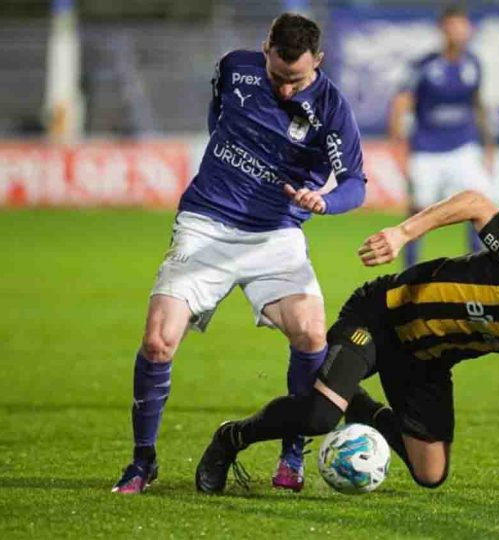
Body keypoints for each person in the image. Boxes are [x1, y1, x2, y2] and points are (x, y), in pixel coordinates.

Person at [194, 190, 499, 505]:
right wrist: (402, 233)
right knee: (320, 416)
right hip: (381, 316)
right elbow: (474, 202)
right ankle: (232, 439)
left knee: (430, 474)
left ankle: (354, 402)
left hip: (425, 362)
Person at [112, 13, 367, 494]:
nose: (286, 90)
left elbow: (356, 183)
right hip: (206, 223)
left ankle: (292, 452)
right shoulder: (234, 68)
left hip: (275, 234)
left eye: (297, 79)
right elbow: (218, 118)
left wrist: (324, 201)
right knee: (157, 342)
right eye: (277, 76)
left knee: (312, 333)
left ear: (320, 62)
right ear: (265, 49)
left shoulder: (333, 108)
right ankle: (142, 461)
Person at [388, 6, 494, 269]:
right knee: (417, 213)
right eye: (452, 26)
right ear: (442, 29)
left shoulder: (474, 64)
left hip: (465, 147)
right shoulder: (424, 65)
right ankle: (409, 275)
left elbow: (479, 105)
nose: (457, 32)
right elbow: (401, 104)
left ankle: (476, 269)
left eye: (462, 26)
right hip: (427, 149)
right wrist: (399, 149)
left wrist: (489, 148)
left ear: (469, 29)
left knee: (478, 205)